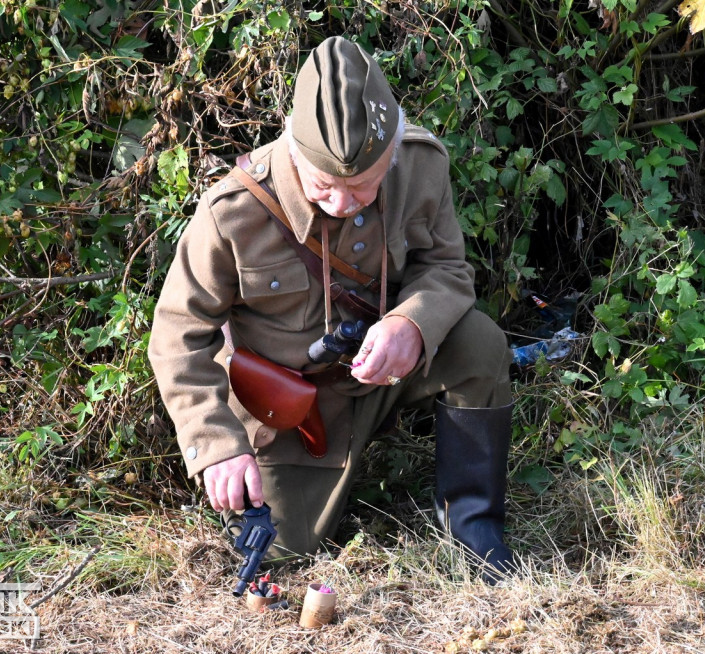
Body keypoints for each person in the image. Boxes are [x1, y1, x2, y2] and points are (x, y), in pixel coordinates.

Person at [148, 36, 516, 582]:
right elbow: (178, 334)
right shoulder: (233, 212)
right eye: (325, 187)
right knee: (282, 554)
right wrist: (218, 446)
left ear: (391, 152)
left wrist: (411, 326)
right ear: (294, 150)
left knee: (479, 342)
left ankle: (473, 524)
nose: (343, 204)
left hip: (390, 371)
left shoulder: (420, 164)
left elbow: (447, 270)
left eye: (363, 187)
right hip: (295, 410)